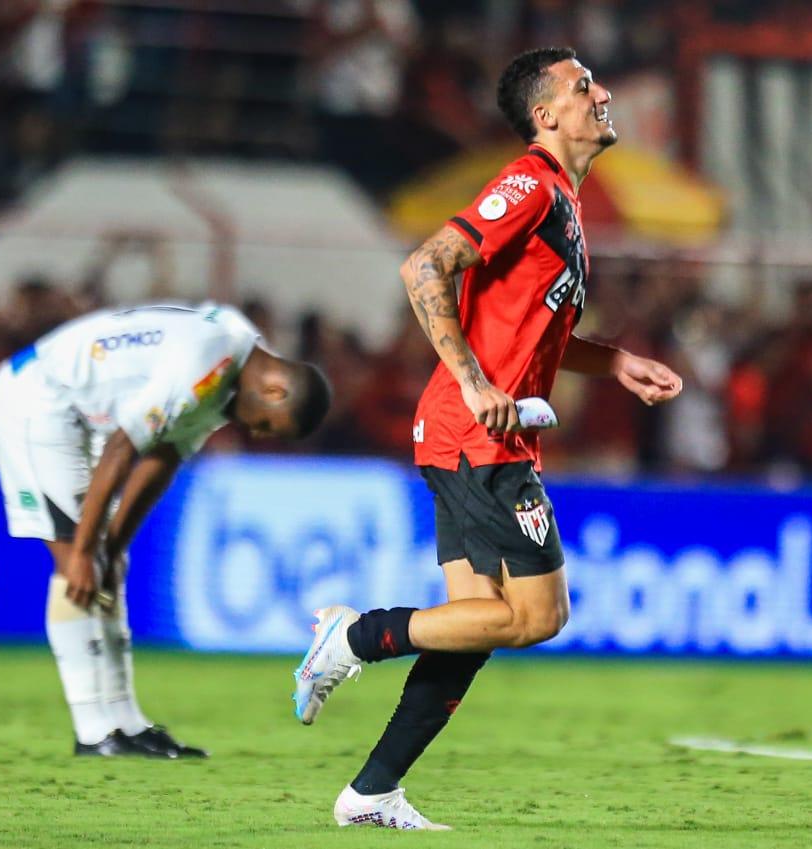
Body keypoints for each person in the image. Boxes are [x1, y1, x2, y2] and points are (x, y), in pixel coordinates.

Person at [291, 47, 682, 829]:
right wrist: (473, 381)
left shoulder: (564, 202)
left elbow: (534, 335)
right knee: (537, 617)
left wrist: (616, 363)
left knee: (473, 626)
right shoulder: (529, 184)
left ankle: (370, 792)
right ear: (546, 116)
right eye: (582, 87)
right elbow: (424, 266)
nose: (601, 93)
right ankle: (355, 634)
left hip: (471, 432)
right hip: (476, 431)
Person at [0, 301, 330, 757]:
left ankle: (124, 722)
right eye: (269, 425)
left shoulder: (231, 376)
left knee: (108, 565)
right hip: (34, 399)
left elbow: (163, 456)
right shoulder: (210, 359)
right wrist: (90, 552)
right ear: (276, 391)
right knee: (74, 562)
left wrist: (112, 546)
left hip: (71, 413)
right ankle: (94, 730)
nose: (260, 433)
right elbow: (123, 446)